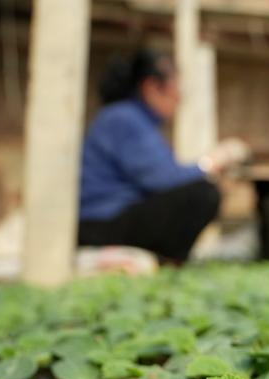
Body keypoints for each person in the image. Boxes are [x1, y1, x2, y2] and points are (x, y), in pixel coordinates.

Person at [78, 49, 249, 263]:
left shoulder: (131, 119)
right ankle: (166, 260)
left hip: (109, 219)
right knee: (202, 194)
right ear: (151, 88)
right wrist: (211, 162)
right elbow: (162, 180)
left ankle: (162, 260)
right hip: (101, 223)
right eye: (175, 87)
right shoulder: (125, 119)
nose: (179, 97)